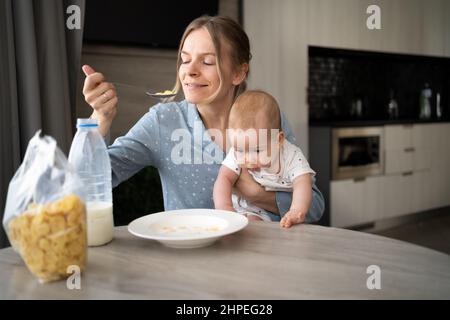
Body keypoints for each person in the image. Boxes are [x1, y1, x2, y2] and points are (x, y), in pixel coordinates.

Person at [81, 15, 324, 223]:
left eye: (207, 61)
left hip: (261, 261)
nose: (190, 70)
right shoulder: (162, 121)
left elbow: (314, 207)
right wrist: (99, 120)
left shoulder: (265, 117)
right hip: (191, 264)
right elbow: (88, 184)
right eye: (185, 60)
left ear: (239, 72)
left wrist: (255, 194)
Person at [213, 91, 315, 228]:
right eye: (240, 150)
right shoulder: (236, 152)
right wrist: (225, 209)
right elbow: (223, 178)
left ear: (278, 140)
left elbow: (302, 182)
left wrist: (296, 210)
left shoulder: (291, 155)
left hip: (273, 214)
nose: (248, 158)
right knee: (245, 227)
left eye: (257, 150)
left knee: (254, 227)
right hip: (242, 208)